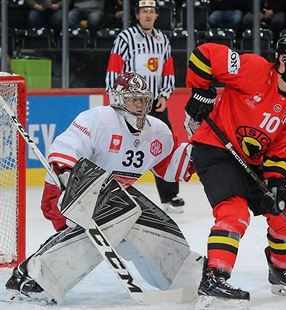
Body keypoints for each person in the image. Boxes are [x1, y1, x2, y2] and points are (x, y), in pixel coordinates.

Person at [3, 72, 202, 304]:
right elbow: (66, 147)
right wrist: (68, 176)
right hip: (65, 192)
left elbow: (175, 168)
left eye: (143, 99)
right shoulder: (99, 119)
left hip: (117, 196)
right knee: (117, 211)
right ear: (118, 99)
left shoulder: (157, 130)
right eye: (132, 98)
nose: (139, 104)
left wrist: (202, 142)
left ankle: (185, 273)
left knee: (153, 221)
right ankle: (35, 278)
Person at [184, 32, 286, 309]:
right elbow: (205, 54)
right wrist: (201, 90)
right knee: (234, 212)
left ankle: (280, 270)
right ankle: (215, 276)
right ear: (282, 59)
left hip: (252, 162)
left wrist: (278, 182)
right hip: (215, 149)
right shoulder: (254, 70)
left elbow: (283, 152)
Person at [105, 0, 185, 214]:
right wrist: (116, 98)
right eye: (143, 11)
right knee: (121, 146)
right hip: (130, 103)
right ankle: (109, 191)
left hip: (156, 103)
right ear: (137, 15)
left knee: (164, 145)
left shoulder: (162, 40)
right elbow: (114, 67)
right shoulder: (125, 38)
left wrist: (165, 94)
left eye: (151, 11)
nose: (147, 15)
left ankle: (170, 195)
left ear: (156, 15)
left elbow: (167, 70)